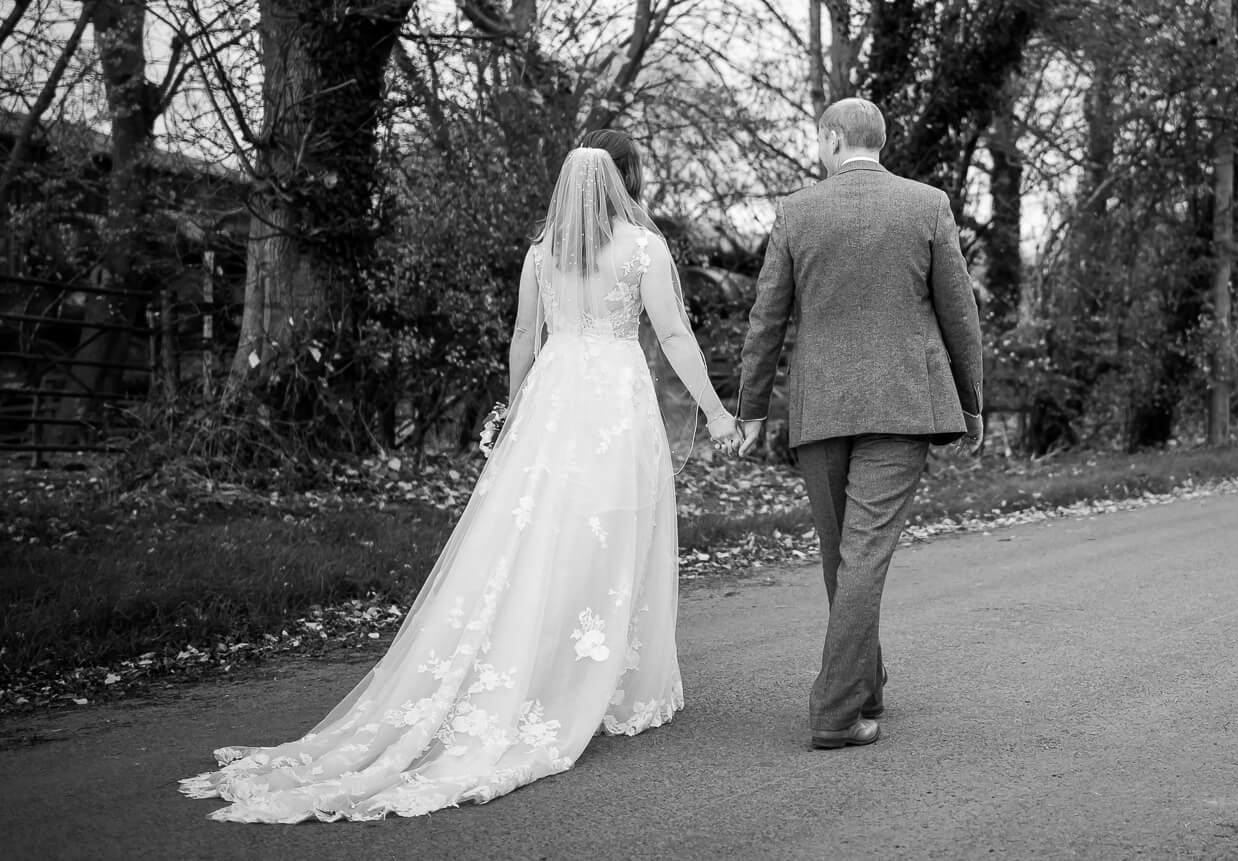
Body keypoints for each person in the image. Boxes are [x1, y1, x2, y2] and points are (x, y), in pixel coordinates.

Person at [181, 142, 745, 822]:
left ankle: (560, 671)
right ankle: (606, 683)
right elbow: (676, 335)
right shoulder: (644, 248)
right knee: (613, 535)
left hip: (554, 398)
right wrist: (715, 409)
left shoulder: (542, 255)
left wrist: (515, 409)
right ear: (620, 186)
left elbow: (522, 338)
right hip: (614, 405)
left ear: (566, 188)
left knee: (536, 536)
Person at [737, 97, 984, 751]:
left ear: (832, 137)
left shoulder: (796, 211)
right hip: (902, 406)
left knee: (843, 554)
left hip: (819, 409)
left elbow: (766, 319)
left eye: (818, 141)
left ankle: (856, 691)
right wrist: (972, 398)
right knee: (862, 556)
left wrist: (753, 409)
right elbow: (961, 314)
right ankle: (841, 709)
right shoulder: (926, 204)